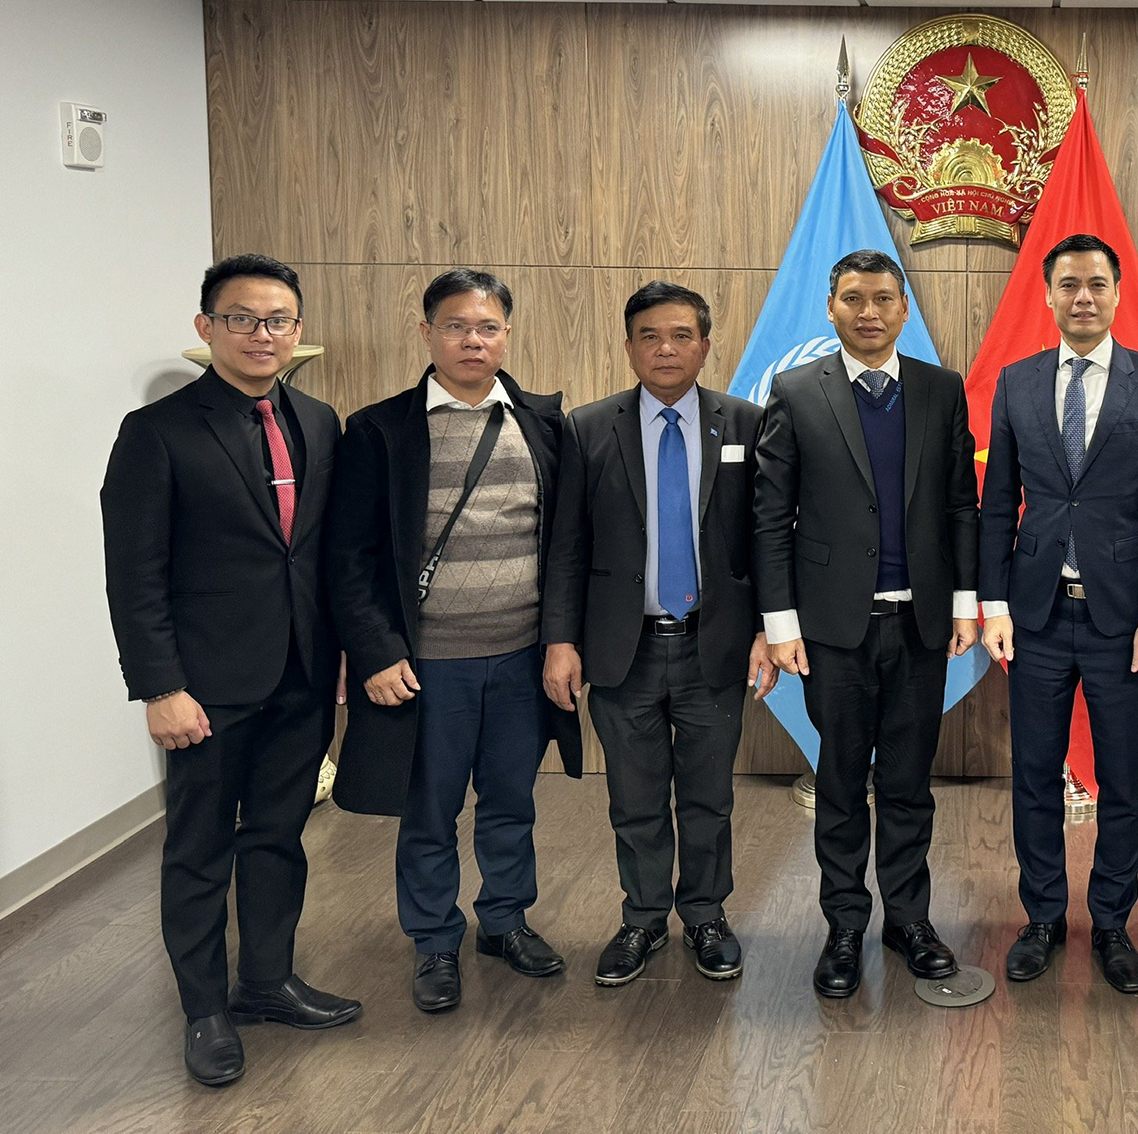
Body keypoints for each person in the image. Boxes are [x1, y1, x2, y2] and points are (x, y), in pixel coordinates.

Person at [102, 253, 361, 1087]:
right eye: (243, 317)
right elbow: (134, 572)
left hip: (302, 673)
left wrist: (345, 658)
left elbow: (324, 556)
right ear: (206, 326)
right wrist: (159, 687)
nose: (262, 333)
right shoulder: (159, 432)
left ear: (297, 330)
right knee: (199, 846)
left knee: (280, 837)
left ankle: (267, 980)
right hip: (203, 688)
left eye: (279, 318)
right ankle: (206, 1008)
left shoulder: (320, 420)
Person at [326, 268, 582, 1015]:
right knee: (429, 810)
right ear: (427, 333)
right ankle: (435, 937)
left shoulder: (541, 420)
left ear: (507, 333)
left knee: (510, 801)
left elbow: (565, 545)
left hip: (520, 660)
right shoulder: (379, 429)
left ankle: (504, 920)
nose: (474, 339)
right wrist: (374, 651)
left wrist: (561, 641)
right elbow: (349, 557)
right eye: (457, 326)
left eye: (489, 326)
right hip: (424, 667)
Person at [752, 250, 980, 999]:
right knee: (844, 781)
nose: (869, 311)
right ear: (831, 307)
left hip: (920, 627)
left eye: (884, 298)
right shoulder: (794, 389)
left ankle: (909, 920)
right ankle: (844, 924)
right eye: (854, 298)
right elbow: (770, 516)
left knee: (910, 784)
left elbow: (958, 504)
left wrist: (963, 603)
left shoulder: (941, 390)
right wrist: (780, 621)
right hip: (831, 629)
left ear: (904, 308)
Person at [542, 282, 773, 987]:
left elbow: (767, 537)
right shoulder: (587, 427)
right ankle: (642, 916)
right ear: (628, 345)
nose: (666, 348)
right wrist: (560, 638)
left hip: (716, 643)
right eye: (649, 335)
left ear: (706, 344)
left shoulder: (746, 422)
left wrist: (768, 628)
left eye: (681, 335)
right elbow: (567, 545)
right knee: (635, 797)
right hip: (623, 646)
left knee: (709, 795)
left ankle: (704, 914)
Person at [981, 233, 1138, 996]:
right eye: (1068, 284)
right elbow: (999, 500)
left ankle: (1110, 921)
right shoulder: (1017, 382)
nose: (1083, 297)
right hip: (1035, 616)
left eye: (1097, 283)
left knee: (1123, 780)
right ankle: (1041, 917)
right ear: (1048, 293)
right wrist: (994, 601)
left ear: (1118, 291)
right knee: (1034, 773)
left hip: (1124, 619)